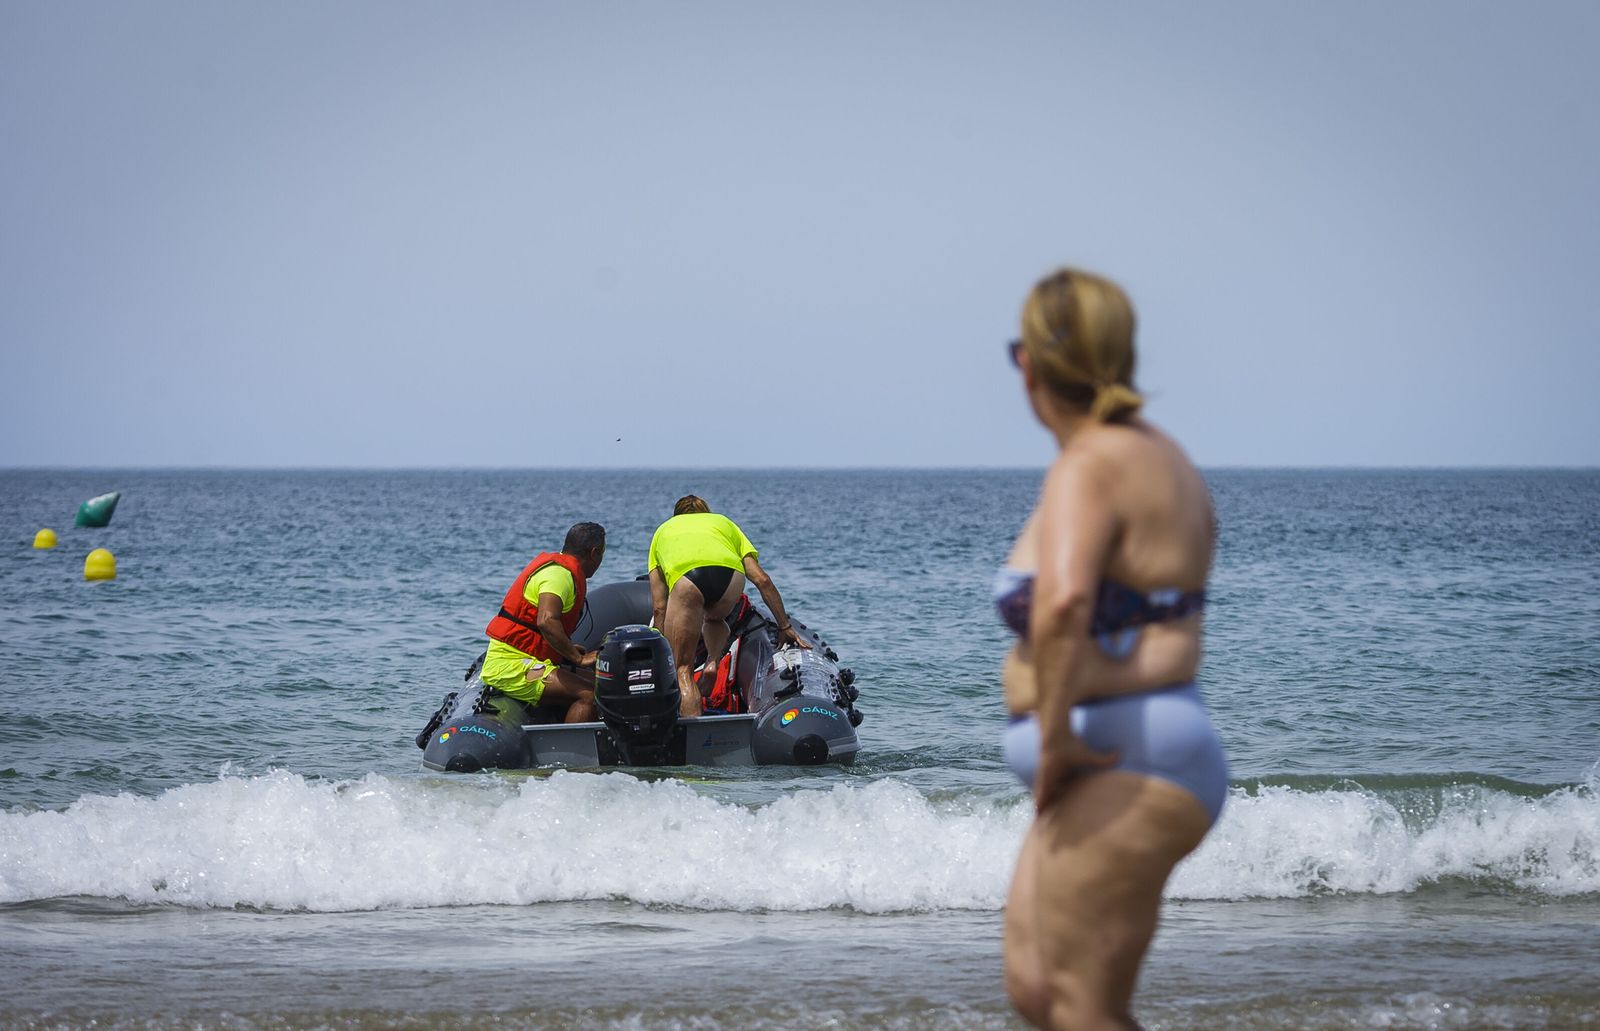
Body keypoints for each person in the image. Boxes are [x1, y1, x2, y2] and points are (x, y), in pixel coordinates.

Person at [997, 267, 1228, 1030]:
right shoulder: (1166, 460)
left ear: (1030, 363)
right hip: (1139, 745)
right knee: (1037, 988)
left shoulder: (1090, 464)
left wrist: (1056, 736)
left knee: (1080, 1006)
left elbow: (1064, 603)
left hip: (1123, 754)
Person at [647, 496, 811, 716]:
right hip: (731, 578)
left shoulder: (662, 531)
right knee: (715, 617)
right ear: (706, 512)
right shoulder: (724, 523)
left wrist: (663, 649)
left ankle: (691, 738)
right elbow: (762, 580)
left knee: (682, 671)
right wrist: (784, 626)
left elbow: (659, 606)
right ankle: (712, 661)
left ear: (677, 516)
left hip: (688, 580)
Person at [479, 522, 607, 723]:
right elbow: (546, 621)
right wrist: (577, 658)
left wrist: (566, 649)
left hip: (525, 658)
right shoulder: (559, 576)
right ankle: (571, 754)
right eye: (602, 555)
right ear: (594, 552)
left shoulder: (559, 570)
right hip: (509, 666)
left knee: (598, 683)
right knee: (589, 695)